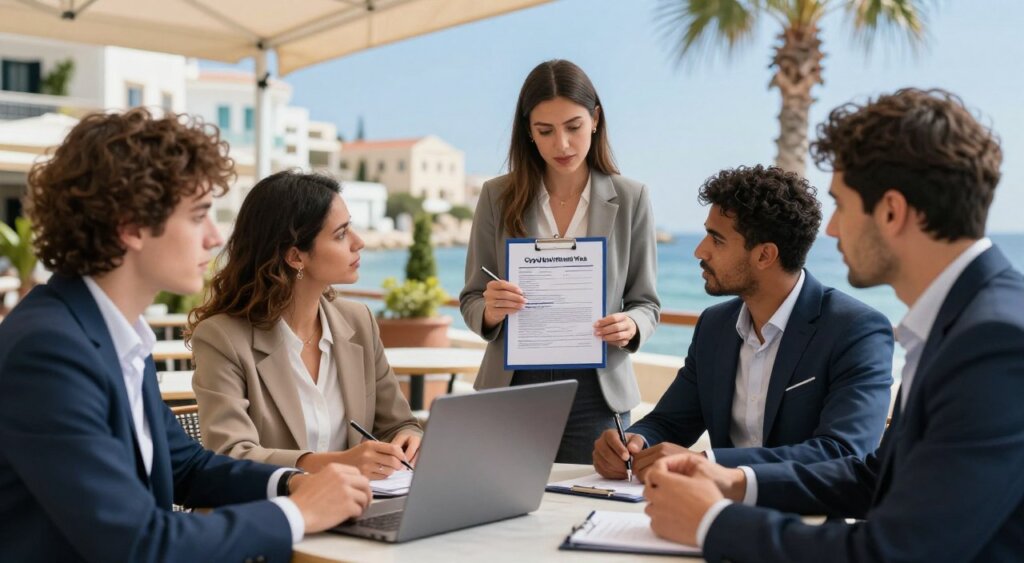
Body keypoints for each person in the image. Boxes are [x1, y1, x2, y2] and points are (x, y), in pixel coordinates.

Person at [643, 88, 1024, 562]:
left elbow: (898, 552)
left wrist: (712, 523)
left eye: (842, 205)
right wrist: (735, 480)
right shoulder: (963, 321)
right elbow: (876, 478)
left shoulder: (998, 341)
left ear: (891, 211)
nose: (832, 230)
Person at [0, 109, 371, 562]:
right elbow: (139, 543)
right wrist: (298, 513)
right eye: (198, 216)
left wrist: (295, 482)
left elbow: (185, 466)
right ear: (131, 226)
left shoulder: (109, 335)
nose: (215, 238)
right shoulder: (49, 351)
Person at [593, 165, 893, 479]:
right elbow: (670, 422)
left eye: (717, 240)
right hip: (710, 511)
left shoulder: (856, 331)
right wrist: (635, 442)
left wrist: (707, 463)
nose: (700, 250)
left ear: (765, 256)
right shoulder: (714, 325)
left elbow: (843, 453)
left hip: (805, 520)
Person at [460, 59, 660, 463]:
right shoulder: (496, 197)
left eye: (573, 127)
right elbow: (471, 299)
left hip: (598, 393)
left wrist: (631, 325)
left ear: (596, 120)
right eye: (545, 131)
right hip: (513, 387)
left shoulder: (632, 197)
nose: (562, 145)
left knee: (588, 508)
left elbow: (647, 303)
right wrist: (491, 310)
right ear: (528, 132)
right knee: (502, 513)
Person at [188, 171, 422, 480]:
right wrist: (335, 463)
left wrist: (407, 438)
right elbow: (232, 453)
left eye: (350, 228)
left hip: (355, 512)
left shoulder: (358, 321)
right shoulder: (222, 338)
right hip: (268, 515)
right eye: (340, 234)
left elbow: (396, 423)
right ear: (296, 256)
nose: (359, 243)